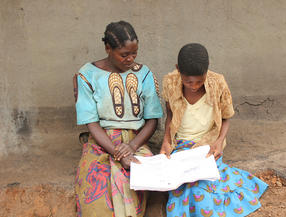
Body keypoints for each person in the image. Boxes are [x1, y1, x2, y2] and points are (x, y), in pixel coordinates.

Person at [160, 43, 268, 217]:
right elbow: (170, 114)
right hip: (180, 145)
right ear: (178, 69)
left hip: (207, 145)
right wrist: (166, 140)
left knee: (202, 190)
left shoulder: (218, 83)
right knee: (180, 187)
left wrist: (218, 142)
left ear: (207, 71)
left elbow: (226, 117)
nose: (194, 86)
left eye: (199, 81)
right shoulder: (170, 82)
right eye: (188, 81)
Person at [74, 21, 163, 217]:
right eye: (124, 54)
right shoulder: (87, 75)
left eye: (134, 53)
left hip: (136, 141)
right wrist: (117, 153)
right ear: (108, 48)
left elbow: (152, 120)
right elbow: (92, 123)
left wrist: (131, 147)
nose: (130, 59)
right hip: (101, 142)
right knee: (97, 185)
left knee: (138, 180)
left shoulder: (144, 74)